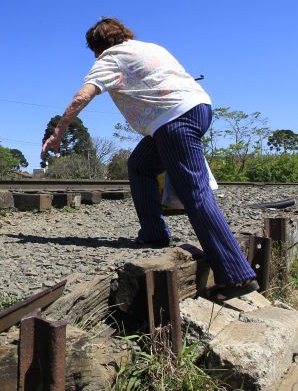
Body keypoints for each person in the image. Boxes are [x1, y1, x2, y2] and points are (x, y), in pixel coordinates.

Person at [41, 18, 258, 301]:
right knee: (140, 165)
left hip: (173, 120)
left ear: (97, 46)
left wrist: (59, 130)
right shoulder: (151, 47)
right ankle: (154, 233)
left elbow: (85, 94)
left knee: (196, 194)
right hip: (198, 109)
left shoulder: (111, 57)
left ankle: (238, 276)